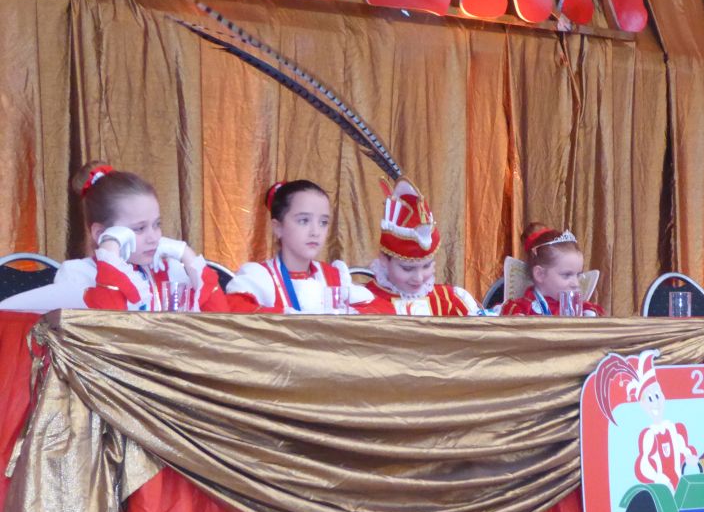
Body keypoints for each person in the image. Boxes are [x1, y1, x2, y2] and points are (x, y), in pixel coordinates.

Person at [0, 162, 227, 312]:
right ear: (101, 233)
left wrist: (187, 255)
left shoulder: (173, 272)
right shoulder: (77, 274)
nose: (153, 237)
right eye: (139, 229)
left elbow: (224, 328)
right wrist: (110, 253)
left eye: (157, 225)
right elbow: (108, 329)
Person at [225, 180, 372, 313]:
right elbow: (234, 311)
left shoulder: (334, 277)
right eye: (303, 220)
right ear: (278, 227)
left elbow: (377, 314)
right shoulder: (260, 277)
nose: (315, 232)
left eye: (323, 222)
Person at [362, 178, 479, 316]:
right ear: (383, 260)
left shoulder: (451, 301)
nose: (418, 278)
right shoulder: (363, 302)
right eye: (407, 268)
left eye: (426, 266)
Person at [595, 349, 700, 490]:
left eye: (658, 396)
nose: (656, 402)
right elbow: (644, 464)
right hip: (662, 487)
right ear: (643, 405)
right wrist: (658, 477)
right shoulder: (650, 435)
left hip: (680, 484)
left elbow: (683, 447)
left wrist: (690, 456)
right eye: (650, 399)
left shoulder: (672, 428)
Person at [499, 223, 604, 316]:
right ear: (540, 274)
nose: (576, 284)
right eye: (567, 275)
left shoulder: (585, 310)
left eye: (578, 275)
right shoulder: (519, 311)